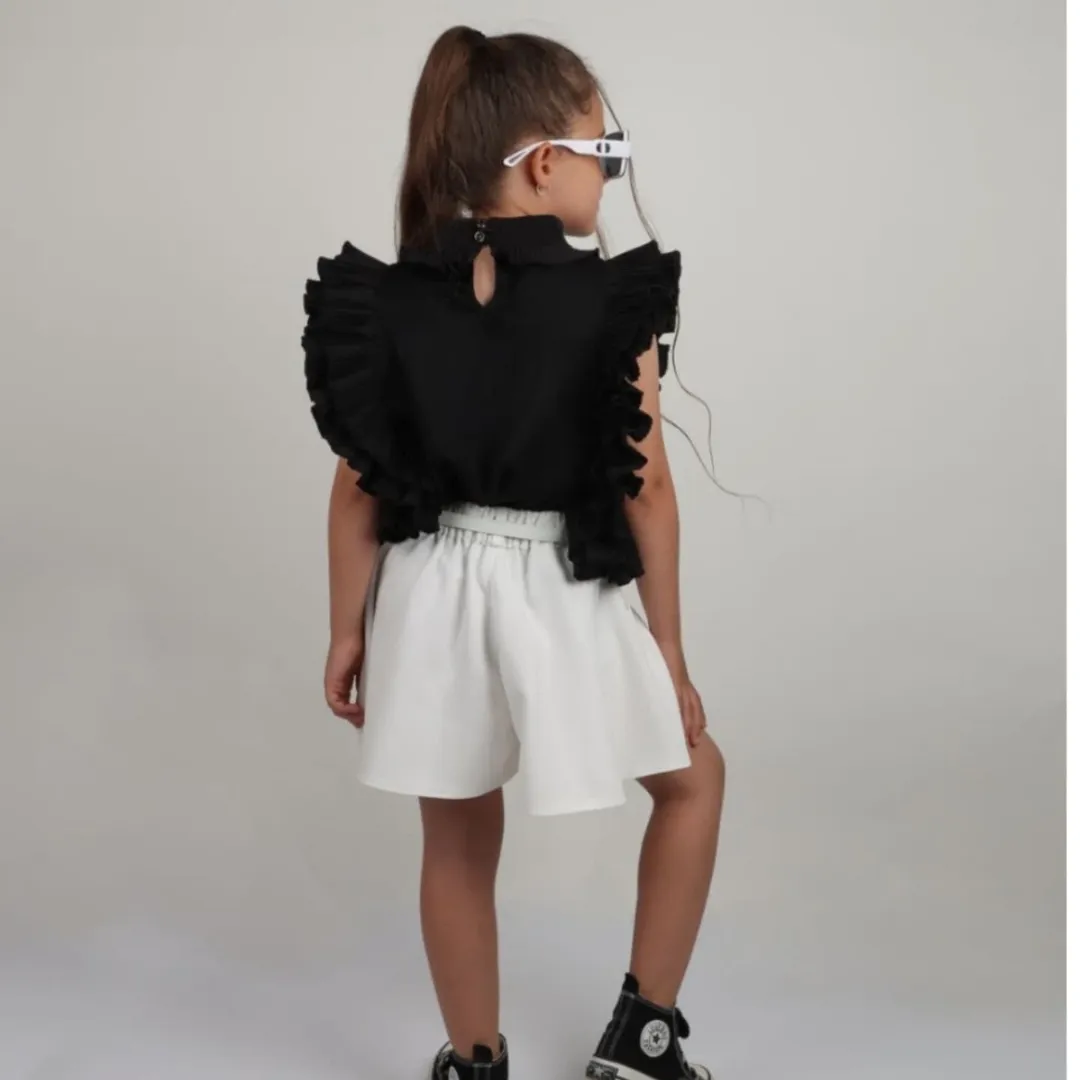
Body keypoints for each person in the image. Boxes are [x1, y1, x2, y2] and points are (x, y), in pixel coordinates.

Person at [301, 24, 726, 1080]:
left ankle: (475, 1059)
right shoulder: (608, 301)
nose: (609, 177)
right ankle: (644, 1040)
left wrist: (347, 628)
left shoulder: (392, 301)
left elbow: (357, 483)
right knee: (693, 779)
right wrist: (668, 650)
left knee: (455, 839)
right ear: (544, 164)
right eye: (603, 152)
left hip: (431, 588)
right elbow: (647, 486)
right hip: (561, 585)